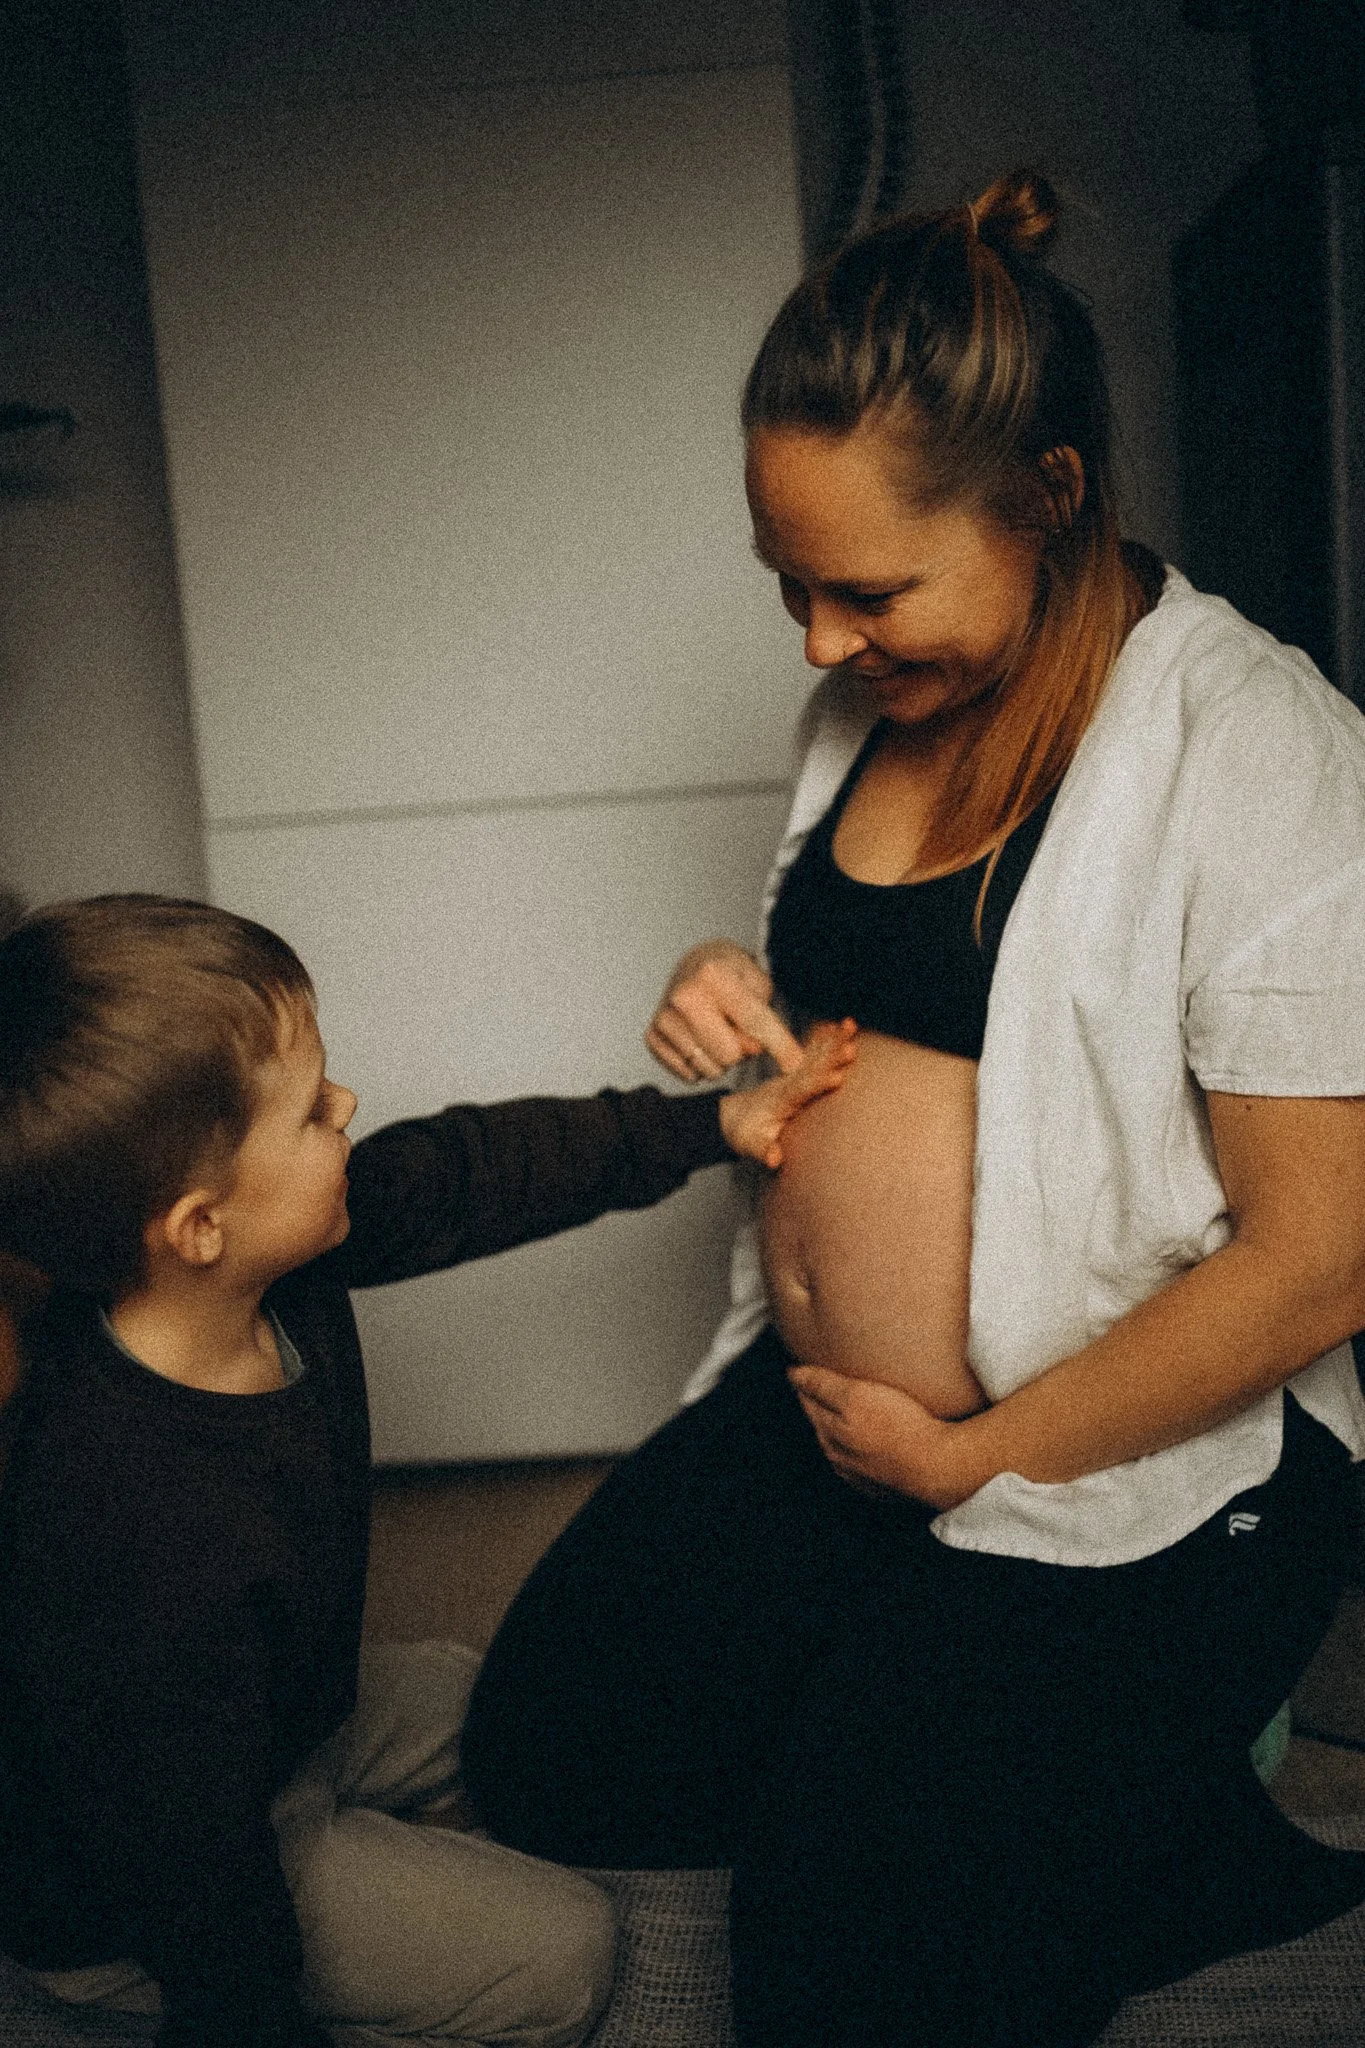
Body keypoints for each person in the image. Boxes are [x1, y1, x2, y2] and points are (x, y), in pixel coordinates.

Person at [459, 170, 1365, 2048]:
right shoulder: (874, 704)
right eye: (787, 584)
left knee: (839, 1961)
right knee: (553, 1752)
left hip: (1133, 1456)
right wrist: (734, 985)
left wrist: (980, 1458)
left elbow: (1320, 1260)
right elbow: (921, 1020)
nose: (815, 641)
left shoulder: (1257, 749)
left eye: (866, 590)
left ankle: (1134, 1799)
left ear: (1051, 493)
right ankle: (1059, 1779)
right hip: (832, 1422)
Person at [0, 893, 853, 2048]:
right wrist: (246, 2014)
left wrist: (713, 1124)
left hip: (276, 1720)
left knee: (499, 1700)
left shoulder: (271, 1263)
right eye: (312, 1111)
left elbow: (469, 1172)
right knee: (568, 1953)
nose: (347, 1105)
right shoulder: (132, 1530)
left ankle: (355, 1832)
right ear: (200, 1225)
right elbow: (189, 1866)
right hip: (139, 1891)